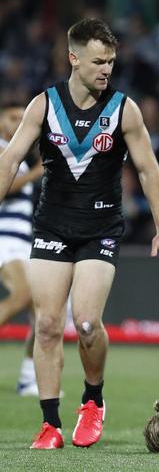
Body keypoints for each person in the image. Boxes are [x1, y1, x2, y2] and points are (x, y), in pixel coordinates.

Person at [0, 18, 159, 450]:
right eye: (99, 61)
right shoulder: (43, 106)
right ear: (73, 58)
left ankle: (93, 401)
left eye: (112, 61)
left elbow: (149, 170)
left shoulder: (123, 109)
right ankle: (49, 425)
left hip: (100, 231)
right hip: (52, 228)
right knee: (44, 325)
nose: (107, 69)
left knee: (84, 322)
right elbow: (9, 160)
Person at [0, 101, 44, 396]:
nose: (18, 123)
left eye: (22, 118)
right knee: (23, 296)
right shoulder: (3, 148)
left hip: (21, 240)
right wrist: (39, 171)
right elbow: (5, 186)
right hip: (4, 239)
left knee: (44, 311)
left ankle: (29, 377)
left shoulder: (20, 158)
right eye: (12, 117)